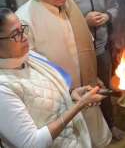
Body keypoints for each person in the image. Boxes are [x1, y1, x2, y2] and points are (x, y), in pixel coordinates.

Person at [16, 0, 112, 147]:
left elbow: (82, 46)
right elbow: (32, 76)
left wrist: (91, 75)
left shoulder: (68, 4)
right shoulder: (25, 21)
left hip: (87, 91)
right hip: (61, 107)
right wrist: (70, 92)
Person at [0, 8, 105, 148]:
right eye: (15, 34)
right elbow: (32, 143)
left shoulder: (29, 57)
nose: (25, 37)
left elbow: (48, 90)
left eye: (22, 29)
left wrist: (71, 94)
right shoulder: (3, 88)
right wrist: (79, 106)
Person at [65, 0, 123, 140]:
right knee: (81, 92)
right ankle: (85, 135)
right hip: (75, 54)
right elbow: (60, 20)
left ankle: (110, 125)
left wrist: (106, 16)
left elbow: (114, 8)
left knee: (104, 88)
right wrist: (84, 21)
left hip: (100, 49)